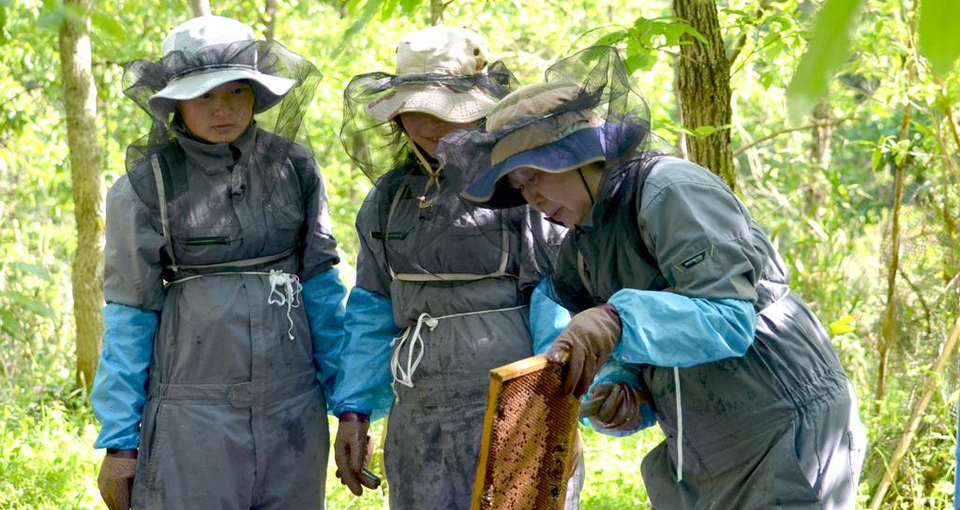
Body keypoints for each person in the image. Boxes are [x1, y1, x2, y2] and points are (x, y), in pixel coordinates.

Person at [443, 46, 867, 510]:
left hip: (784, 420)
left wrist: (615, 319)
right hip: (705, 443)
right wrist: (627, 391)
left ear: (582, 156)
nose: (533, 197)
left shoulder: (670, 190)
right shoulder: (582, 245)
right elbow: (652, 346)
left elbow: (727, 320)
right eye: (520, 187)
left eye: (536, 176)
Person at [92, 15, 345, 510]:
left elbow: (322, 286)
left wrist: (351, 407)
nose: (223, 109)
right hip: (192, 412)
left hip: (293, 407)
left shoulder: (294, 167)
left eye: (236, 92)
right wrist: (120, 441)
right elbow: (130, 314)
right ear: (174, 102)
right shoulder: (147, 186)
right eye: (204, 95)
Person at [331, 26, 580, 509]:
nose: (430, 126)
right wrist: (354, 410)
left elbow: (555, 296)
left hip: (518, 399)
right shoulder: (388, 198)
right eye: (416, 110)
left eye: (445, 110)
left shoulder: (523, 184)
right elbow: (372, 308)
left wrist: (557, 401)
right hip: (419, 411)